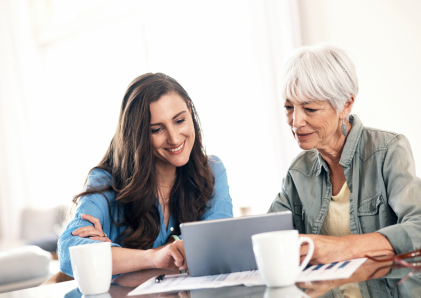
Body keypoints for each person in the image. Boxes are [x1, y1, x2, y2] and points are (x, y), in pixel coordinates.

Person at [58, 73, 233, 277]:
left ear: (190, 109)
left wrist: (118, 258)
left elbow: (217, 248)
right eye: (157, 129)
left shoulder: (212, 170)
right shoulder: (107, 180)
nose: (174, 138)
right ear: (138, 136)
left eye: (179, 120)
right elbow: (70, 253)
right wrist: (153, 257)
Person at [269, 43, 421, 265]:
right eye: (288, 107)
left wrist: (341, 248)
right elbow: (267, 235)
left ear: (345, 105)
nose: (296, 121)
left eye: (310, 109)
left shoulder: (388, 150)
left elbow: (417, 227)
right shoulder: (298, 171)